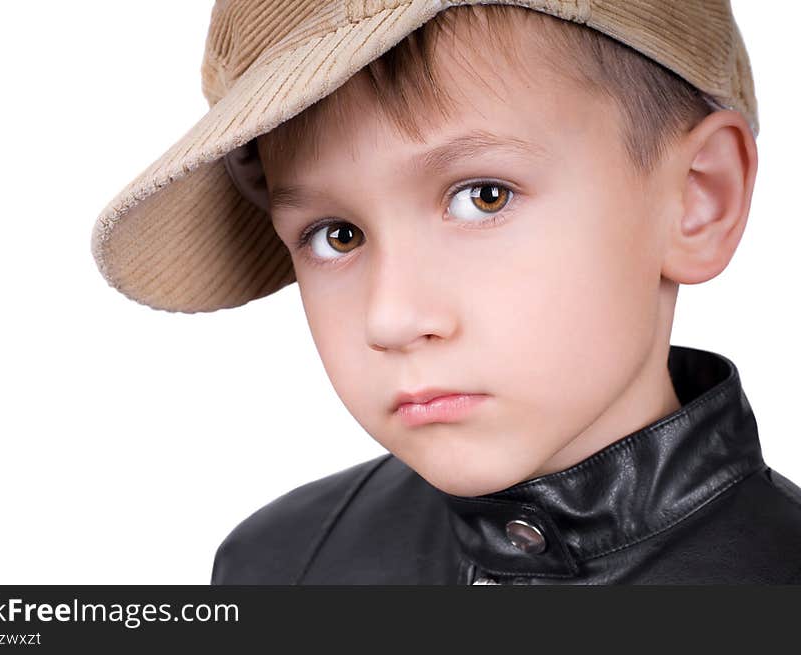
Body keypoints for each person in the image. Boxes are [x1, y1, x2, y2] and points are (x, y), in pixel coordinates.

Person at [90, 1, 801, 584]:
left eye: (482, 197)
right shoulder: (277, 566)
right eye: (336, 234)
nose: (392, 316)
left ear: (698, 199)